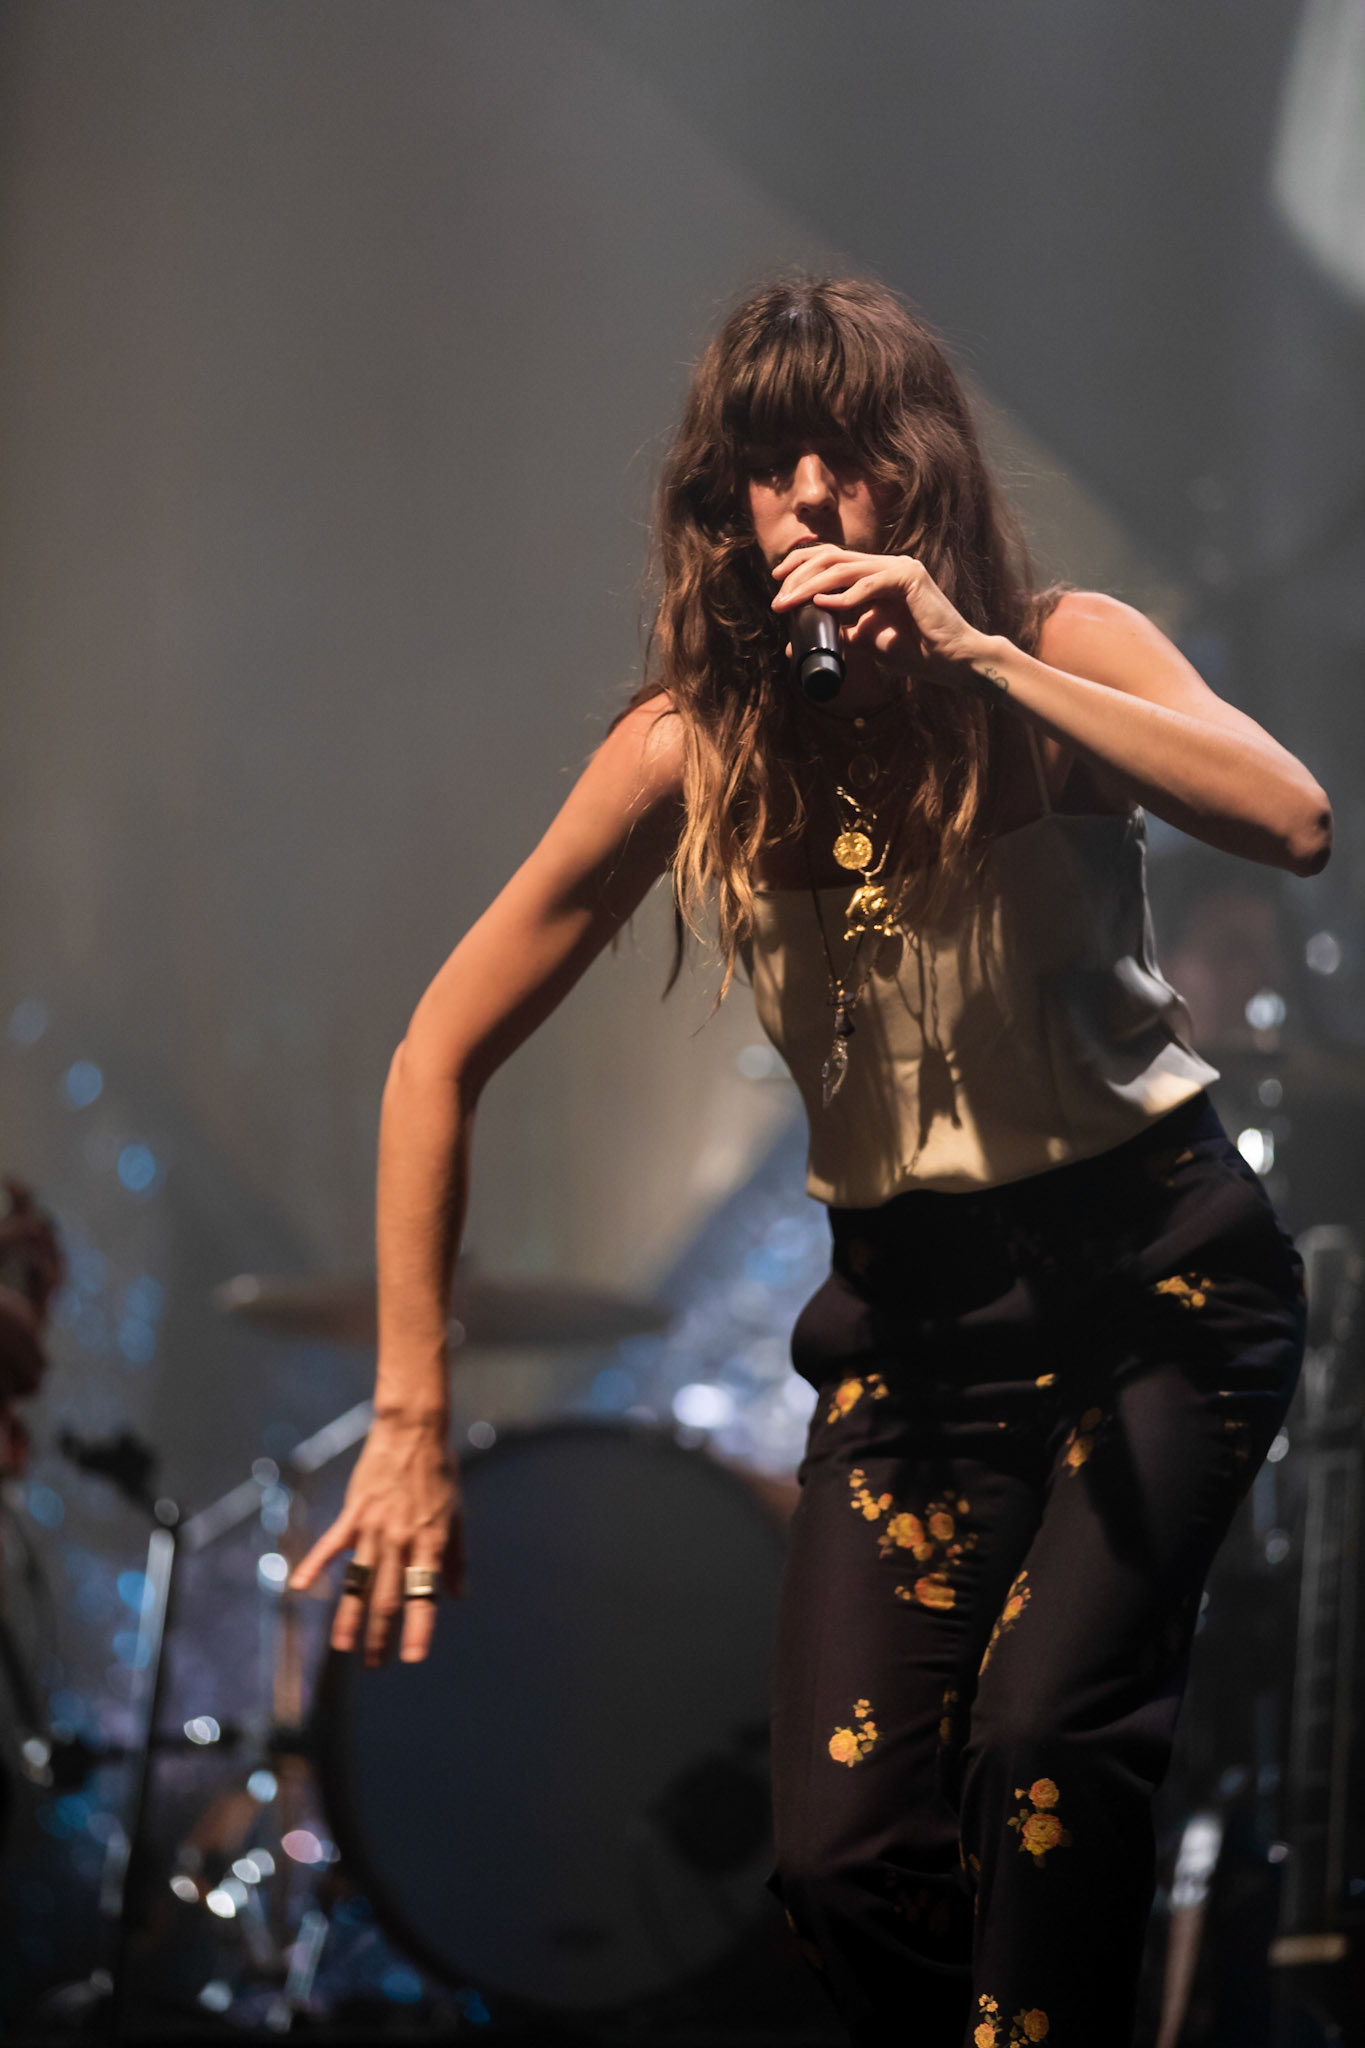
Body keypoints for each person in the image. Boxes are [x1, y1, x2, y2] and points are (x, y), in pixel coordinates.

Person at [290, 277, 1329, 2048]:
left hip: (1154, 1286)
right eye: (765, 470)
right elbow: (432, 1053)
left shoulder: (1059, 644)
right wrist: (408, 1419)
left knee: (1037, 1751)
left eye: (846, 455)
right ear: (724, 513)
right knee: (840, 1860)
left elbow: (1291, 819)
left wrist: (983, 655)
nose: (812, 499)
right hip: (917, 1339)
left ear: (917, 472)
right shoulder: (687, 749)